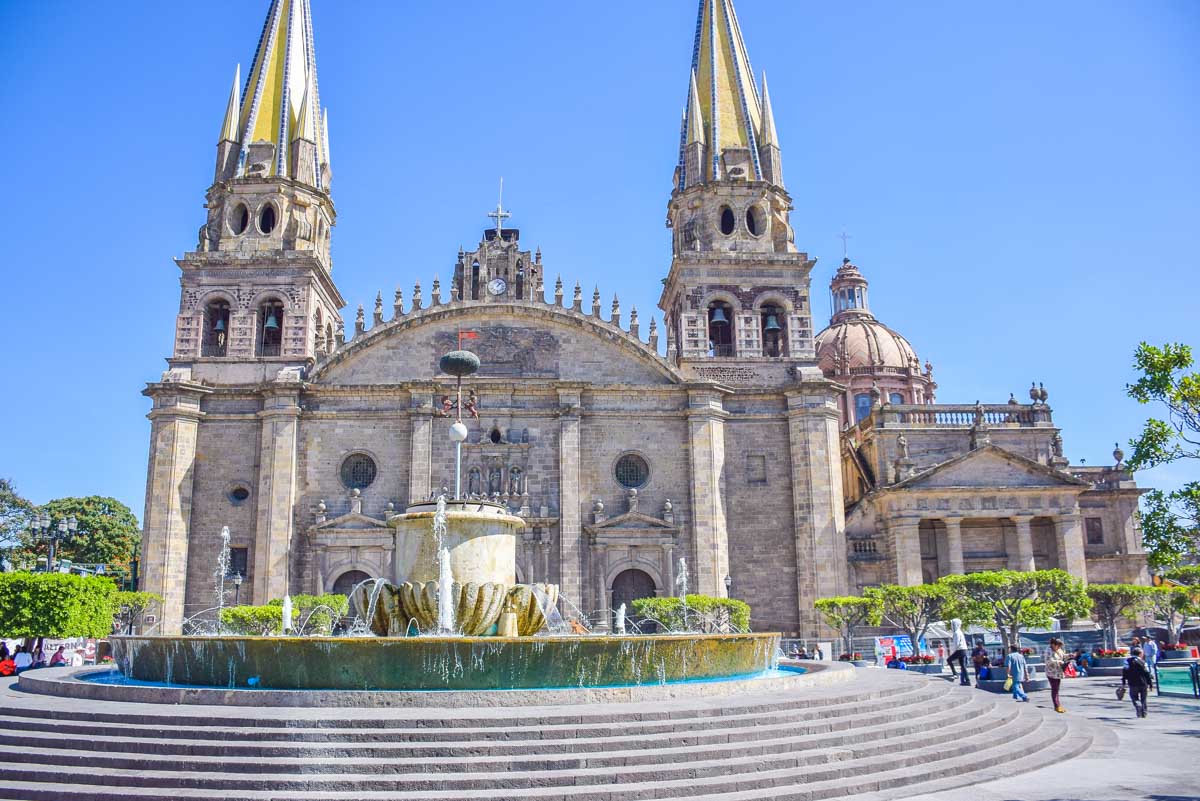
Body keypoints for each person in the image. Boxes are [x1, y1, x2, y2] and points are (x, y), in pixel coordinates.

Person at [1122, 646, 1153, 718]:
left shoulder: (1127, 661)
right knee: (1144, 699)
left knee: (1134, 697)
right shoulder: (1143, 662)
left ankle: (1137, 705)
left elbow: (1124, 672)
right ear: (1140, 654)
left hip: (1132, 682)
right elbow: (1147, 673)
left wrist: (1124, 682)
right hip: (1143, 683)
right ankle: (1144, 713)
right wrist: (1150, 684)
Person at [1045, 637, 1068, 713]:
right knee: (1054, 689)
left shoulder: (1059, 650)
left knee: (1057, 689)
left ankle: (1058, 705)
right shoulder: (1048, 651)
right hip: (1051, 673)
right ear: (1053, 644)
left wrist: (1069, 656)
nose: (1059, 647)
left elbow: (1063, 656)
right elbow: (1048, 661)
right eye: (1057, 645)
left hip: (1058, 672)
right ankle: (1057, 706)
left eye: (1059, 646)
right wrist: (1058, 662)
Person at [947, 619, 971, 686]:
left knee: (949, 660)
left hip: (960, 650)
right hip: (964, 650)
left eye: (952, 625)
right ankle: (967, 680)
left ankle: (955, 673)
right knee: (963, 666)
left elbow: (956, 644)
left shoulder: (956, 633)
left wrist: (953, 651)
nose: (952, 626)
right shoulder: (960, 632)